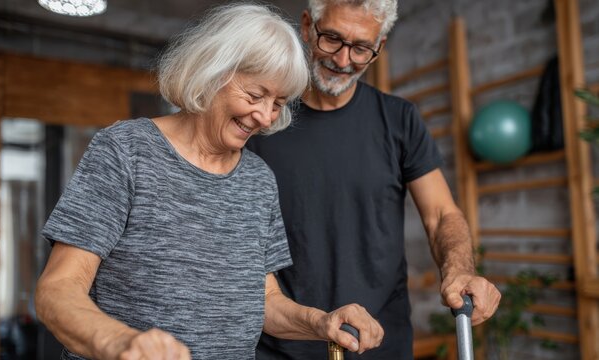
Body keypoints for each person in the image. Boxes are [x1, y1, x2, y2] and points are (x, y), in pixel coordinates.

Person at [34, 4, 385, 360]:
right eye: (255, 95)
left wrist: (320, 321)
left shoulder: (258, 180)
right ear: (213, 71)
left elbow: (263, 301)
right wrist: (120, 343)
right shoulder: (126, 150)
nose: (265, 117)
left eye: (278, 103)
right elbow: (58, 289)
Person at [246, 0, 502, 358]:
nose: (342, 59)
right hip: (284, 346)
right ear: (307, 27)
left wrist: (459, 270)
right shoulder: (260, 123)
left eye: (361, 47)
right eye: (332, 38)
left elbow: (441, 214)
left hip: (382, 343)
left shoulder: (400, 120)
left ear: (379, 47)